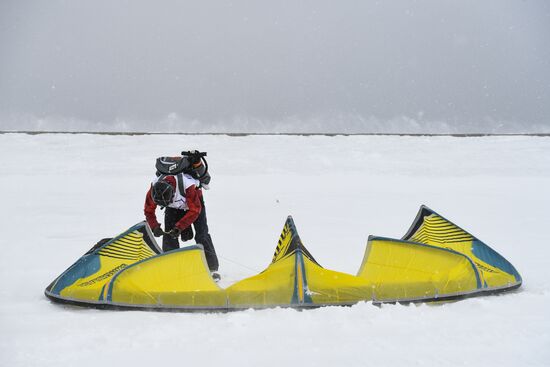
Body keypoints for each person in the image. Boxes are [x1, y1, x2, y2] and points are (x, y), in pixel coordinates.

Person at [144, 172, 220, 281]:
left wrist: (179, 227)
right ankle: (172, 268)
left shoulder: (188, 185)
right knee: (169, 236)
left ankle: (212, 269)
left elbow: (195, 210)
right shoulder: (154, 188)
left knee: (202, 235)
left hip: (195, 205)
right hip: (173, 207)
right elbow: (148, 210)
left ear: (173, 193)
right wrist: (154, 226)